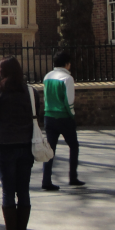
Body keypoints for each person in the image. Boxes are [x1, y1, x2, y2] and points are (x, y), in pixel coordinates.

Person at [0, 56, 35, 230]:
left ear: (5, 72)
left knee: (8, 190)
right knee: (23, 189)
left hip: (4, 145)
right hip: (26, 144)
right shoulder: (30, 92)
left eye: (0, 69)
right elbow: (37, 114)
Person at [41, 49, 85, 190]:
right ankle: (73, 177)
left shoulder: (47, 76)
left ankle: (46, 180)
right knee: (74, 146)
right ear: (66, 64)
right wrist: (72, 115)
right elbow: (69, 100)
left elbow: (46, 97)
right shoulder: (67, 78)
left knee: (50, 150)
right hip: (64, 117)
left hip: (49, 116)